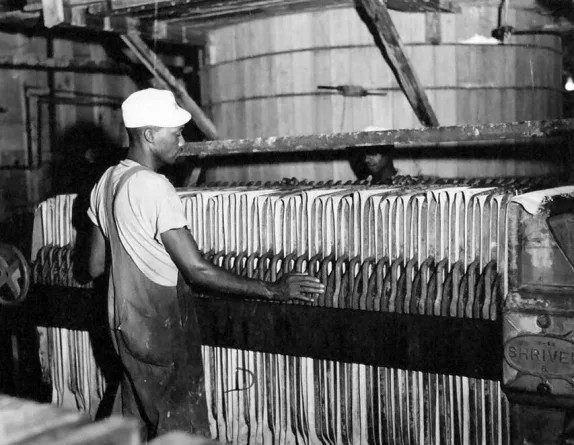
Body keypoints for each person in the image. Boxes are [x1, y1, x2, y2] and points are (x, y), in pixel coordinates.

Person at [84, 88, 325, 440]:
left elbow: (93, 266)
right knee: (182, 430)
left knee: (131, 423)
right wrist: (274, 288)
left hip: (122, 325)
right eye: (176, 133)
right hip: (159, 328)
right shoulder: (153, 187)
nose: (182, 141)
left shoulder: (106, 182)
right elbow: (197, 269)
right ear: (150, 134)